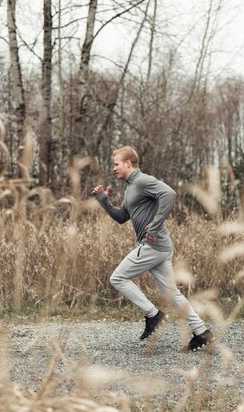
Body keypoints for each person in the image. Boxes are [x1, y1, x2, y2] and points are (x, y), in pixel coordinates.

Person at [92, 146, 215, 352]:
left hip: (152, 245)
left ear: (128, 163)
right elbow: (122, 217)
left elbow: (169, 194)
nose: (114, 168)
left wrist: (156, 225)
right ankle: (202, 332)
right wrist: (104, 201)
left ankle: (154, 315)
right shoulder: (131, 188)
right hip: (161, 246)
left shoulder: (142, 180)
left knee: (118, 278)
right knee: (171, 293)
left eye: (116, 164)